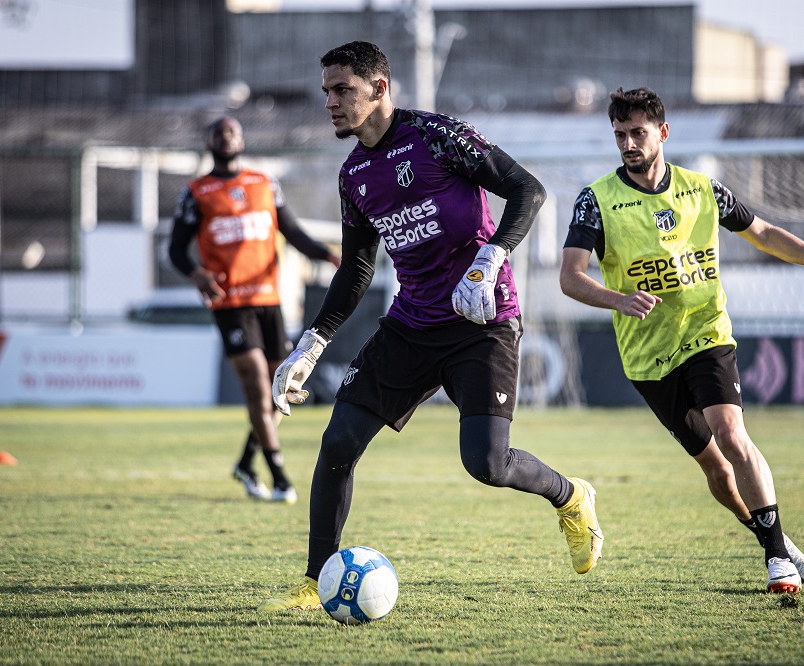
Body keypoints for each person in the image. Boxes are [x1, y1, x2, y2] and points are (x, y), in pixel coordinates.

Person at [261, 41, 603, 611]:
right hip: (411, 326)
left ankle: (572, 498)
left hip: (482, 323)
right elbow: (356, 268)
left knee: (486, 464)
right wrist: (310, 345)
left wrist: (490, 259)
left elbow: (529, 190)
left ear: (380, 88)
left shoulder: (436, 136)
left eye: (343, 89)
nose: (332, 102)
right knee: (338, 441)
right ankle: (316, 576)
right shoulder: (355, 175)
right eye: (326, 92)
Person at [559, 87, 804, 594]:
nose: (628, 144)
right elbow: (571, 277)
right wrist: (619, 300)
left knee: (731, 433)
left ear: (663, 132)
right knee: (716, 471)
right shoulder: (597, 201)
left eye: (638, 133)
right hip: (648, 358)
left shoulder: (703, 190)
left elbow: (763, 233)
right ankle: (779, 541)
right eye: (620, 135)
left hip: (706, 334)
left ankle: (775, 562)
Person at [169, 116, 341, 504]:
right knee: (258, 387)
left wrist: (329, 256)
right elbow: (175, 251)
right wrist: (196, 273)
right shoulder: (197, 192)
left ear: (242, 140)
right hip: (230, 304)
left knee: (282, 388)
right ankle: (280, 476)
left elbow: (292, 232)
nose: (226, 137)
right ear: (209, 141)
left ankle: (247, 462)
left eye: (232, 131)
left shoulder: (264, 184)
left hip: (269, 300)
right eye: (219, 132)